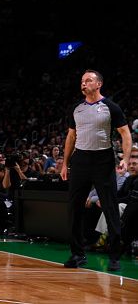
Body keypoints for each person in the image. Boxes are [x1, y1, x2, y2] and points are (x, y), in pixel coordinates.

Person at [61, 70, 132, 272]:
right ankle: (77, 254)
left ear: (99, 83)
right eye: (82, 80)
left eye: (88, 80)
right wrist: (65, 163)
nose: (84, 83)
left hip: (103, 159)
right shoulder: (76, 108)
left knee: (110, 207)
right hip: (80, 160)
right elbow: (71, 137)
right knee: (74, 208)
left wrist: (125, 159)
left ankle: (115, 256)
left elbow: (125, 134)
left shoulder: (111, 107)